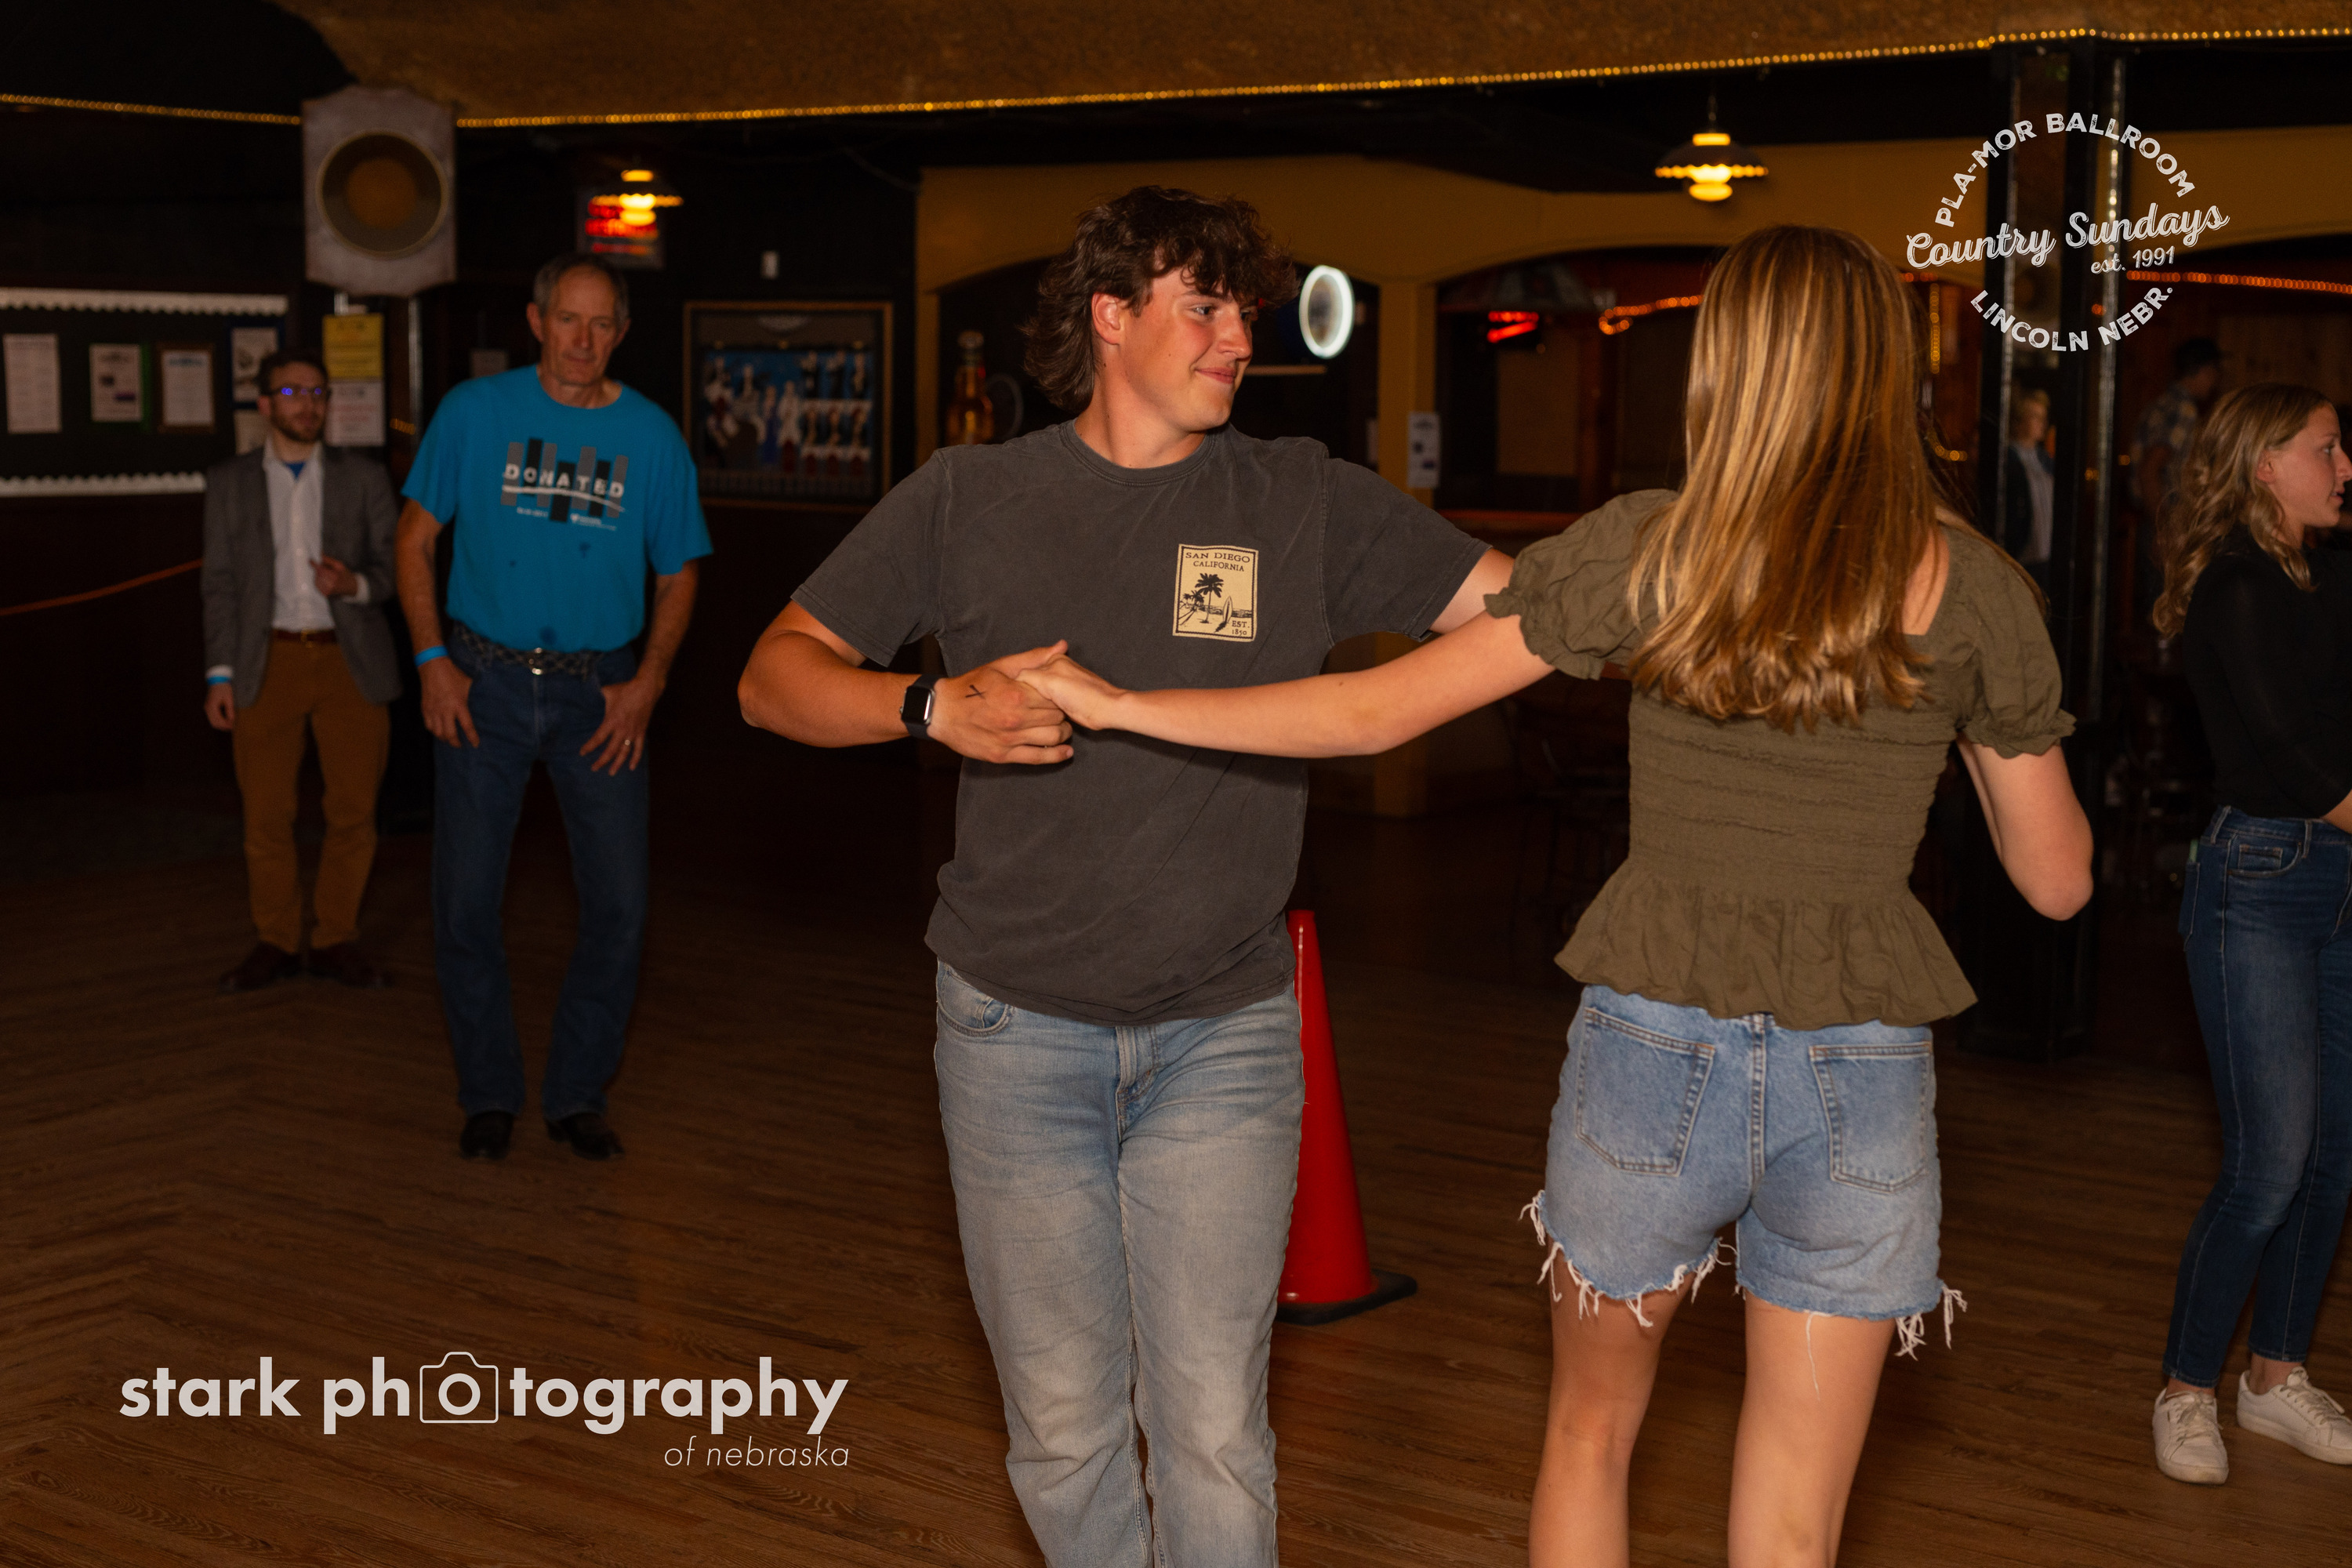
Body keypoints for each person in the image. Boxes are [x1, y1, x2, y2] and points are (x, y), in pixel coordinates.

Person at [1015, 225, 2094, 1568]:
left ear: (1727, 363)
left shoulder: (1646, 549)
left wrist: (1126, 702)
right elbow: (2058, 884)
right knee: (1797, 1524)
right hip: (1860, 1068)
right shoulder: (1978, 591)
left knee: (1591, 1437)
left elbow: (1370, 712)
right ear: (1893, 375)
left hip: (1653, 1046)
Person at [736, 185, 1508, 1567]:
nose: (1238, 340)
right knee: (1063, 1430)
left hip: (1225, 1035)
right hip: (1012, 1034)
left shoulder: (1299, 497)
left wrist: (1670, 586)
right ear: (1109, 314)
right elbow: (771, 679)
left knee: (1212, 1429)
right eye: (1204, 308)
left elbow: (1518, 609)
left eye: (1245, 313)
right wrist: (932, 707)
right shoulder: (970, 496)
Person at [395, 253, 713, 1163]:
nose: (583, 338)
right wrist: (432, 662)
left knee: (619, 905)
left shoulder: (651, 437)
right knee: (464, 903)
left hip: (600, 694)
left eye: (601, 322)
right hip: (481, 685)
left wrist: (649, 683)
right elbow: (413, 541)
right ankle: (488, 1091)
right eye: (567, 319)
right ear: (536, 322)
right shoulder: (473, 412)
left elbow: (679, 573)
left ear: (622, 332)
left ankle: (577, 1093)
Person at [2148, 383, 2352, 1484]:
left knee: (2335, 1154)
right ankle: (2185, 1389)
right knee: (2270, 1164)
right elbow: (2295, 760)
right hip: (2261, 880)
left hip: (2345, 880)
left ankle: (2274, 1379)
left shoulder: (2334, 572)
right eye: (2328, 448)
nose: (2346, 467)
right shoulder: (2234, 585)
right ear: (2265, 464)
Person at [201, 347, 401, 993]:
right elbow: (219, 585)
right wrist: (219, 675)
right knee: (266, 815)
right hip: (267, 661)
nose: (308, 404)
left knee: (354, 812)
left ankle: (335, 938)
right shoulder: (229, 482)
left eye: (317, 393)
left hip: (350, 662)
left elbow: (396, 571)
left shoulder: (364, 477)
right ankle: (277, 940)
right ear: (265, 404)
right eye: (292, 393)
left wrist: (353, 586)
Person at [2132, 337, 2224, 622]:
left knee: (2157, 605)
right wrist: (2163, 529)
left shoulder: (2160, 403)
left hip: (2152, 515)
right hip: (2166, 517)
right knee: (2169, 610)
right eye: (2215, 372)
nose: (2215, 381)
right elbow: (2150, 469)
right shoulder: (2184, 409)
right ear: (2203, 370)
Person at [2002, 387, 2056, 593]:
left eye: (2043, 417)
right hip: (2022, 556)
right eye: (2035, 416)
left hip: (2047, 555)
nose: (2042, 423)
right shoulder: (2009, 458)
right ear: (2020, 420)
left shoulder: (2045, 460)